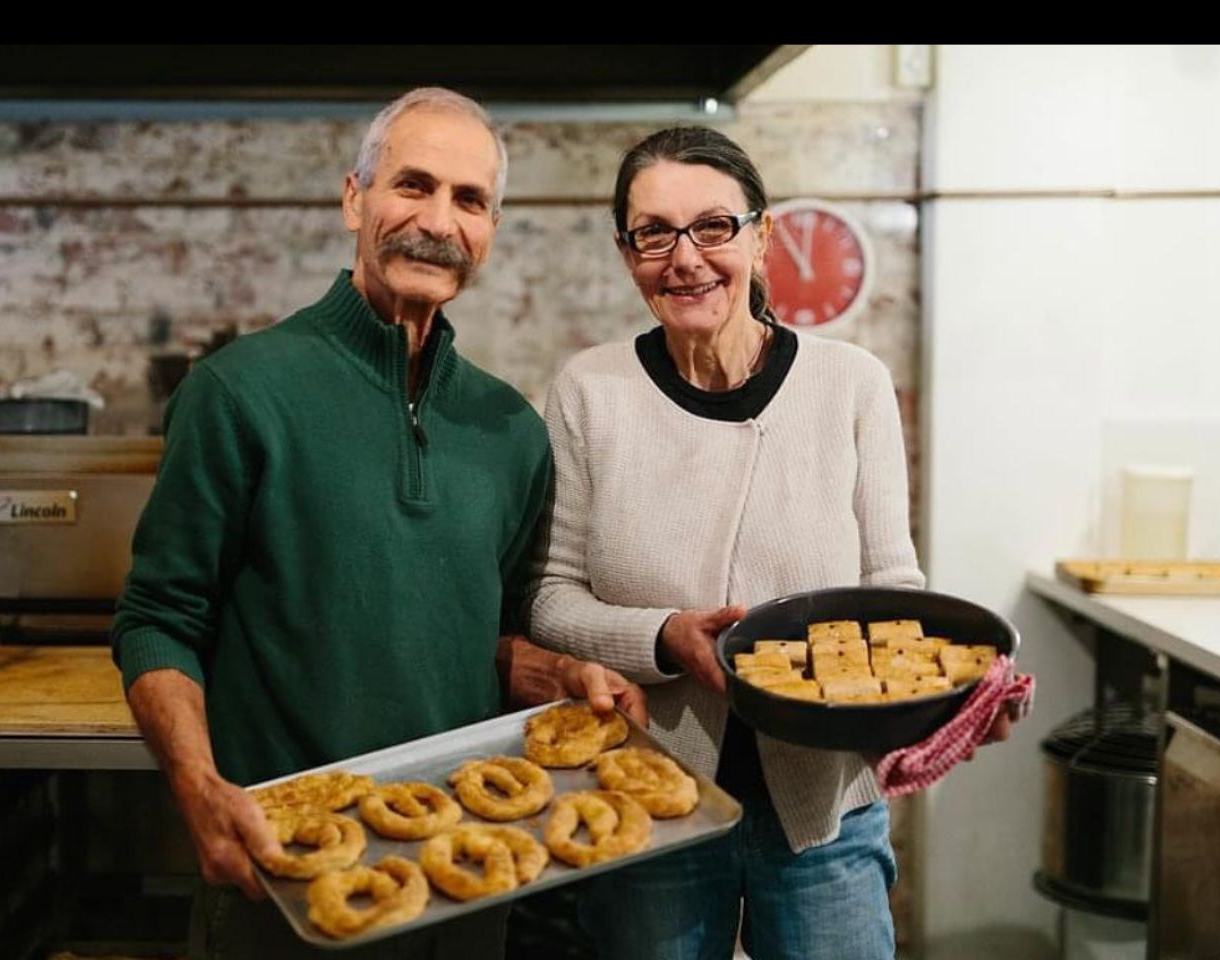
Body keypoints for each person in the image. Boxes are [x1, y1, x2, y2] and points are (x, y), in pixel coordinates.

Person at [112, 86, 646, 960]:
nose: (438, 221)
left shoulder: (511, 430)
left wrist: (555, 670)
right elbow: (156, 620)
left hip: (466, 869)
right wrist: (197, 787)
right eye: (413, 185)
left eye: (469, 200)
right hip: (284, 871)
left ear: (490, 230)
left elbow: (480, 637)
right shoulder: (239, 393)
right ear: (354, 198)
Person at [527, 126, 1012, 960]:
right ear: (627, 252)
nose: (686, 258)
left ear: (761, 236)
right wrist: (664, 636)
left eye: (713, 226)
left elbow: (892, 587)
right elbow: (550, 598)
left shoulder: (850, 384)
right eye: (654, 233)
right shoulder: (589, 392)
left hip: (826, 808)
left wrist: (948, 693)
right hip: (652, 794)